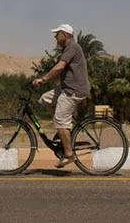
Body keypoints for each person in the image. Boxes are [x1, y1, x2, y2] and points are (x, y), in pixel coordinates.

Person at [32, 24, 91, 168]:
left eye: (57, 34)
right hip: (65, 88)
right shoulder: (67, 48)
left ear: (66, 34)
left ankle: (69, 154)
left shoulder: (73, 47)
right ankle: (63, 130)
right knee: (45, 99)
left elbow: (60, 67)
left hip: (73, 90)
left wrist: (43, 79)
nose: (55, 37)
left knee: (59, 119)